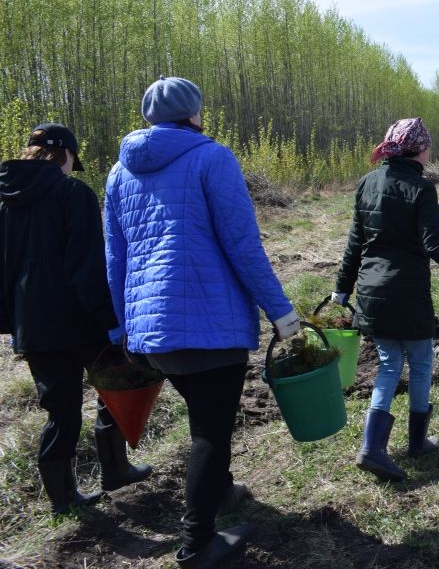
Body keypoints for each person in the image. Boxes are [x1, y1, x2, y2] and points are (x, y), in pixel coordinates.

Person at [104, 77, 300, 567]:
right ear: (195, 112)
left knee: (205, 418)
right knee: (209, 433)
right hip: (210, 326)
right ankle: (197, 545)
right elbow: (242, 245)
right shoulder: (213, 157)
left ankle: (224, 489)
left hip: (152, 332)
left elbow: (115, 258)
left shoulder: (117, 173)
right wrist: (281, 311)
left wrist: (120, 327)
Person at [332, 117, 439, 482]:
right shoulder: (420, 188)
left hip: (371, 293)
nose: (430, 152)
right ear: (416, 149)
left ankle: (373, 447)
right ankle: (416, 442)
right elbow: (435, 244)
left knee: (389, 364)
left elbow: (354, 243)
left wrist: (342, 287)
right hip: (407, 294)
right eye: (427, 146)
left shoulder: (367, 183)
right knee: (422, 363)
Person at [0, 123, 152, 515]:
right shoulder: (73, 193)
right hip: (80, 319)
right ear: (64, 154)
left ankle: (63, 499)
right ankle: (115, 470)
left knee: (60, 410)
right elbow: (86, 267)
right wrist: (111, 322)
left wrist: (14, 321)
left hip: (34, 325)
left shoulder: (4, 201)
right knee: (114, 384)